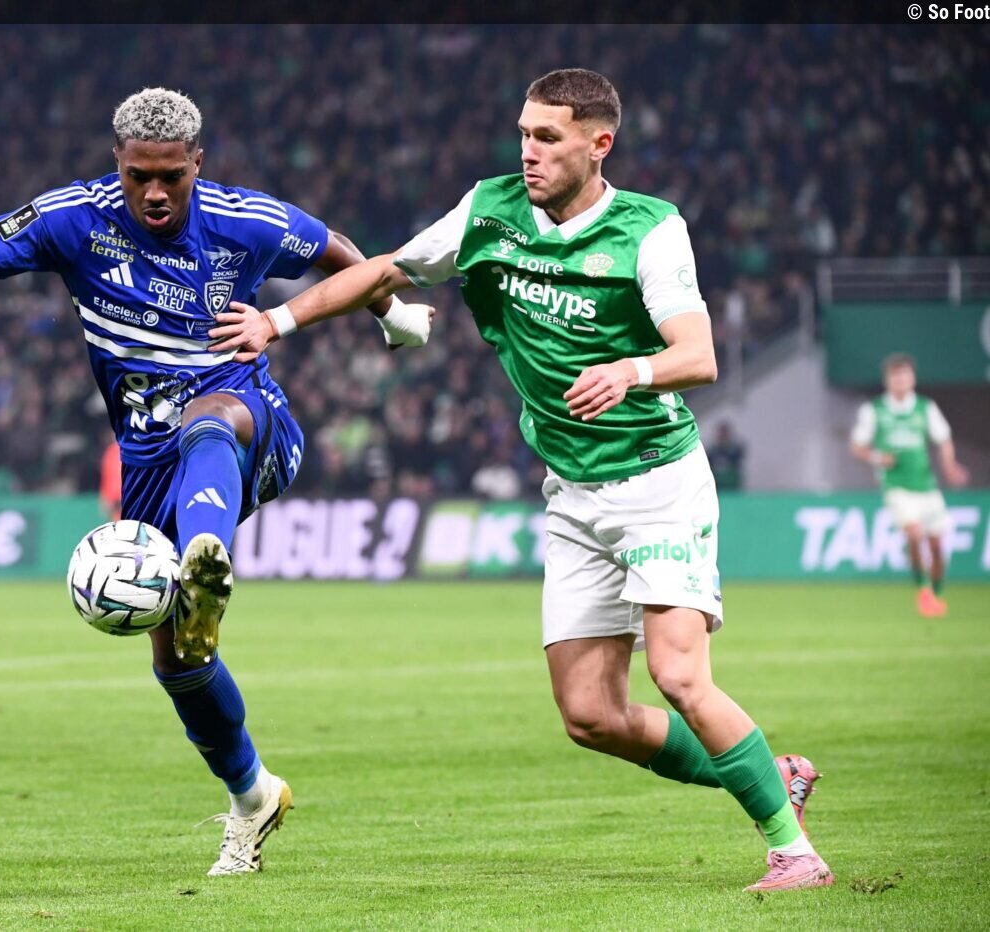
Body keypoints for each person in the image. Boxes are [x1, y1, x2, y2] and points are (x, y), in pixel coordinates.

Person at [209, 69, 831, 893]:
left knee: (680, 676)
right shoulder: (489, 210)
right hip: (572, 492)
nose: (528, 152)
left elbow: (699, 355)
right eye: (524, 134)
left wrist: (632, 371)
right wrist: (276, 320)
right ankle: (767, 776)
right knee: (590, 716)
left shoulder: (649, 229)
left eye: (547, 137)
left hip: (657, 482)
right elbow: (385, 269)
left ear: (599, 144)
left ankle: (796, 854)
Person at [0, 88, 431, 875]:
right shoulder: (75, 218)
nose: (156, 192)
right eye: (140, 176)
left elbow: (338, 249)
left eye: (172, 175)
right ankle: (252, 795)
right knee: (179, 665)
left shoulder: (244, 221)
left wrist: (390, 314)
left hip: (248, 423)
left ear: (198, 162)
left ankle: (204, 558)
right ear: (118, 163)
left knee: (207, 417)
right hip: (148, 464)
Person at [850, 353, 969, 617]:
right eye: (895, 376)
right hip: (897, 487)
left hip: (926, 486)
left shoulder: (925, 408)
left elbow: (943, 439)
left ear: (912, 378)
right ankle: (924, 593)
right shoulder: (874, 410)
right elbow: (856, 446)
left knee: (936, 547)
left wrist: (949, 466)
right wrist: (877, 457)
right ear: (887, 380)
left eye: (904, 375)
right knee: (913, 534)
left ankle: (935, 594)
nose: (900, 380)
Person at [707, 421, 746, 492]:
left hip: (732, 487)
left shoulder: (735, 451)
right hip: (717, 487)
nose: (723, 436)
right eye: (721, 433)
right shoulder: (712, 452)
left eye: (725, 433)